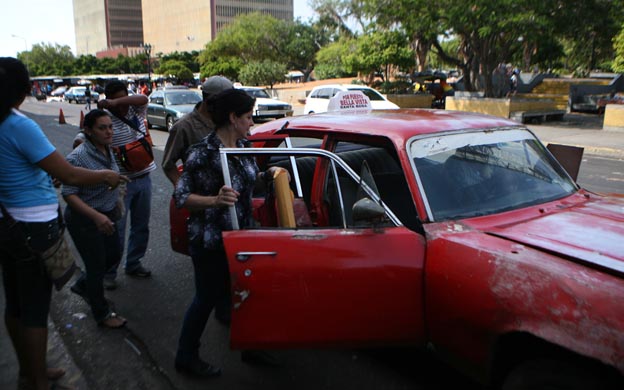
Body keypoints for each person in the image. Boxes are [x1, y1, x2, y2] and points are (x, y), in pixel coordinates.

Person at [0, 57, 126, 390]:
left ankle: (30, 369)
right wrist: (105, 175)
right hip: (33, 227)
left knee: (14, 302)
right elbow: (68, 174)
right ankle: (38, 380)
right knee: (34, 308)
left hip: (7, 223)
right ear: (26, 89)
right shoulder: (18, 124)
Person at [173, 88, 280, 377]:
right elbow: (182, 197)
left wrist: (268, 177)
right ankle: (186, 355)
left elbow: (249, 182)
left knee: (247, 294)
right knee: (206, 298)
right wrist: (214, 201)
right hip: (211, 241)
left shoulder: (243, 147)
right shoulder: (202, 153)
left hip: (242, 236)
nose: (251, 123)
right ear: (233, 118)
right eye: (247, 117)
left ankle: (251, 346)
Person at [162, 75, 234, 324]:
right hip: (203, 208)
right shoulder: (185, 127)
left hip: (228, 207)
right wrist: (185, 190)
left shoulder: (225, 121)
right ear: (211, 100)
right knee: (207, 275)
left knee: (229, 268)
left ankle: (225, 311)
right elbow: (168, 164)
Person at [63, 110, 127, 328]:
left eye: (110, 126)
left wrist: (117, 192)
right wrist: (96, 216)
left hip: (106, 214)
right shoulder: (78, 157)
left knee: (113, 255)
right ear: (88, 131)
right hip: (84, 219)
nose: (109, 131)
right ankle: (102, 313)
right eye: (102, 128)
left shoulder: (108, 149)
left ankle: (83, 284)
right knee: (97, 264)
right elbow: (68, 194)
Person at [98, 80, 155, 289]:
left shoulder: (136, 110)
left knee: (141, 226)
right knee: (117, 231)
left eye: (125, 97)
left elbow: (143, 98)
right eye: (118, 98)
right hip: (120, 184)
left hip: (144, 177)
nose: (123, 103)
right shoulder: (106, 120)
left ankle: (134, 263)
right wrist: (110, 106)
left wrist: (116, 102)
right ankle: (109, 272)